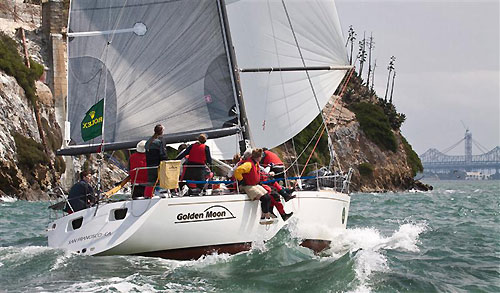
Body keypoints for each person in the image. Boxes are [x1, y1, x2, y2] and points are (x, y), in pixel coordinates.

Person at [233, 148, 272, 222]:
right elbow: (237, 171)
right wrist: (241, 181)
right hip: (248, 185)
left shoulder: (255, 163)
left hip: (254, 184)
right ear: (258, 157)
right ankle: (266, 215)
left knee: (268, 197)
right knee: (264, 198)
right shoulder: (249, 164)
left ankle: (263, 215)